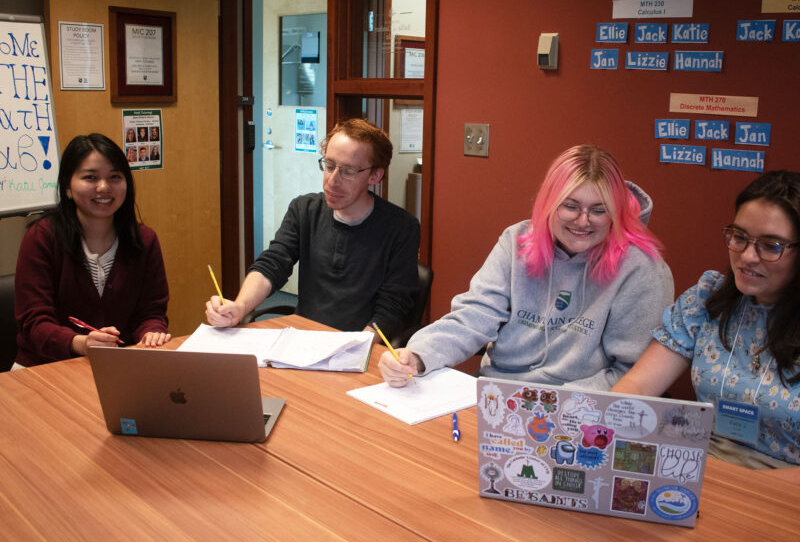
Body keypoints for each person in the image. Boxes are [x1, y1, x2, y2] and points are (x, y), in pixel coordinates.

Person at [379, 144, 673, 390]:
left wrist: (549, 405)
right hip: (497, 391)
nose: (583, 221)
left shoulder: (642, 269)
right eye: (570, 206)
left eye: (599, 210)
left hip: (579, 412)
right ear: (548, 204)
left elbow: (632, 373)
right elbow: (475, 315)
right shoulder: (517, 240)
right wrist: (418, 354)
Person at [613, 171, 800, 472]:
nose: (748, 256)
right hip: (701, 465)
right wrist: (607, 430)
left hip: (784, 487)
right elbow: (638, 384)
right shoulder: (706, 300)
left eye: (771, 245)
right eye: (739, 237)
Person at [205, 118, 420, 338]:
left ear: (375, 175)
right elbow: (273, 263)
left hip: (361, 345)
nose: (332, 181)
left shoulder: (401, 228)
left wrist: (360, 345)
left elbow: (392, 307)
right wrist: (240, 307)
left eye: (348, 171)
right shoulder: (305, 210)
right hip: (306, 340)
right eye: (329, 166)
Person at [13, 133, 171, 367]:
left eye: (115, 177)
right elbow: (34, 323)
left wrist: (152, 333)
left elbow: (151, 311)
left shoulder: (143, 239)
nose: (104, 187)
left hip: (116, 365)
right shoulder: (42, 237)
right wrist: (82, 343)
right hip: (44, 366)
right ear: (67, 186)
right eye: (90, 177)